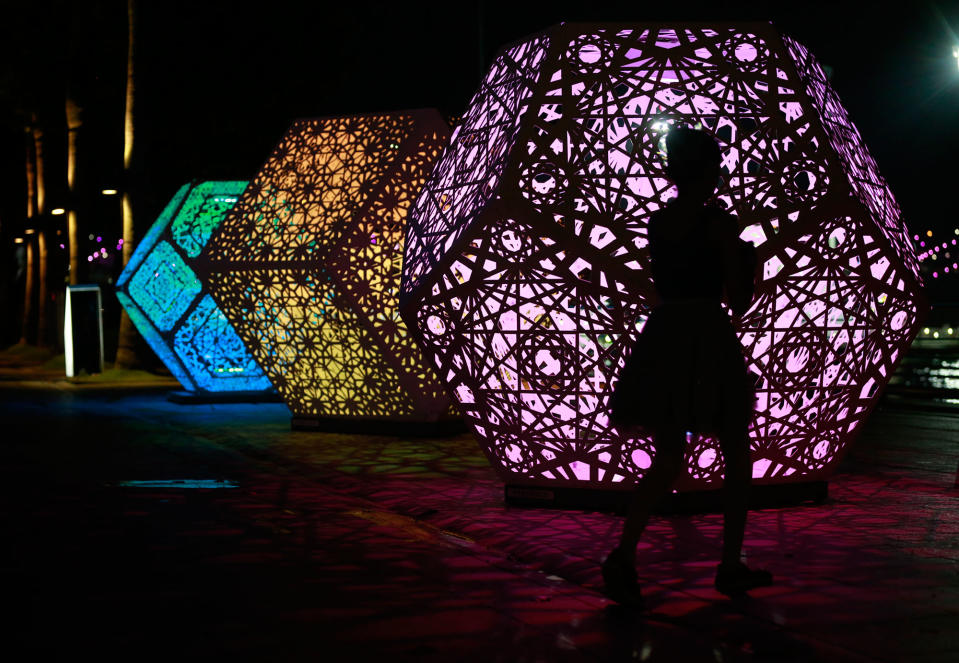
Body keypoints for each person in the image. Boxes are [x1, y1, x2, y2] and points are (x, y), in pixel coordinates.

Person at [604, 127, 771, 608]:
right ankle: (730, 563)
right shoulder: (719, 225)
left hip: (665, 336)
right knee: (736, 453)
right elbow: (738, 302)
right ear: (712, 172)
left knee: (668, 456)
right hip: (707, 336)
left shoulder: (658, 223)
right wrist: (748, 259)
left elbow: (665, 281)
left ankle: (623, 555)